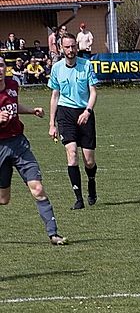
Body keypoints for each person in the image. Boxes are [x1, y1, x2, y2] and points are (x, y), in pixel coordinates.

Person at [0, 58, 67, 245]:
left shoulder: (13, 84)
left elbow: (13, 106)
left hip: (19, 145)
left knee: (37, 188)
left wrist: (31, 111)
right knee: (3, 199)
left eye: (0, 65)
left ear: (5, 68)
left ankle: (53, 234)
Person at [48, 33, 99, 210]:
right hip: (65, 113)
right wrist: (52, 124)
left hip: (85, 112)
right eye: (67, 47)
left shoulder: (87, 65)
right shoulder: (56, 68)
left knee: (89, 161)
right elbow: (55, 96)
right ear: (61, 48)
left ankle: (91, 182)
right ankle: (78, 199)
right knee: (71, 154)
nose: (70, 50)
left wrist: (88, 111)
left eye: (73, 47)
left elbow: (93, 92)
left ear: (77, 47)